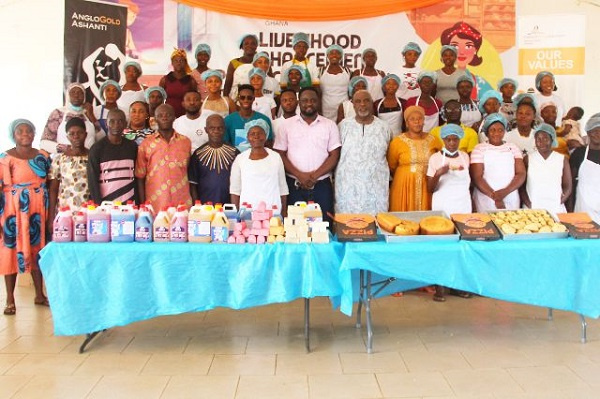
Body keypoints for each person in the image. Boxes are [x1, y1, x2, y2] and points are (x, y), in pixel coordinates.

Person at [1, 119, 51, 315]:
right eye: (20, 131)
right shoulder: (5, 158)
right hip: (13, 211)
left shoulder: (43, 156)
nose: (25, 134)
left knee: (37, 249)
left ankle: (40, 294)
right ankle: (10, 299)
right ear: (13, 134)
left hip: (38, 209)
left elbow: (49, 182)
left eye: (29, 131)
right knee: (11, 251)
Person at [274, 87, 341, 223]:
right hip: (294, 185)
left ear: (318, 102)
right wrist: (300, 175)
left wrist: (314, 176)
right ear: (299, 103)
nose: (309, 103)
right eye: (305, 100)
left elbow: (334, 155)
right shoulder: (286, 125)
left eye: (313, 100)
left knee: (324, 227)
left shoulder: (330, 125)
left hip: (322, 185)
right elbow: (280, 154)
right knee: (295, 228)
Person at [426, 123, 472, 302]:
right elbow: (430, 188)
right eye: (448, 139)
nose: (452, 142)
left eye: (455, 139)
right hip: (443, 206)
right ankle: (440, 286)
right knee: (442, 246)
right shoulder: (436, 159)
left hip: (462, 205)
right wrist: (438, 173)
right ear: (443, 139)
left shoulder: (465, 157)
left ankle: (458, 286)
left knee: (461, 246)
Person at [335, 90, 392, 214]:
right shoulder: (343, 126)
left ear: (372, 104)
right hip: (348, 188)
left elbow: (389, 156)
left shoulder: (384, 127)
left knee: (376, 226)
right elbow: (335, 155)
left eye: (366, 100)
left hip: (376, 189)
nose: (362, 104)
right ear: (353, 105)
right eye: (358, 101)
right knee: (348, 226)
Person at [136, 104, 192, 211]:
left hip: (181, 202)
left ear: (174, 117)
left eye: (168, 115)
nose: (164, 117)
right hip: (155, 204)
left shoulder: (186, 142)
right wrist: (144, 205)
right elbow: (140, 177)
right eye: (160, 115)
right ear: (155, 119)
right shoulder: (146, 144)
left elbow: (188, 170)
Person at [388, 106, 442, 211]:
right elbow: (391, 166)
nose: (417, 121)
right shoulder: (397, 141)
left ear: (424, 121)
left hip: (427, 185)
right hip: (404, 185)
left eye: (420, 118)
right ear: (407, 123)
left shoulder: (434, 140)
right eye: (412, 119)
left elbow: (440, 159)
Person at [470, 113, 526, 211]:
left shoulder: (513, 147)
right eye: (493, 130)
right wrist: (494, 196)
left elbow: (521, 173)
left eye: (500, 130)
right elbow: (477, 177)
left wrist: (504, 192)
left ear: (504, 131)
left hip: (510, 196)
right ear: (487, 132)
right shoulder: (479, 149)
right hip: (486, 198)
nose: (497, 133)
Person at [230, 119, 288, 212]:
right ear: (247, 137)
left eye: (260, 133)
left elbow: (282, 188)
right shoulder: (240, 159)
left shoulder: (275, 157)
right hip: (247, 212)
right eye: (252, 134)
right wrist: (236, 215)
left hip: (273, 211)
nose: (256, 136)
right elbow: (235, 190)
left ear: (266, 136)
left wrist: (284, 212)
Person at [87, 109, 138, 204]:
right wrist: (99, 205)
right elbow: (92, 182)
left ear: (125, 124)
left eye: (120, 121)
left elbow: (136, 176)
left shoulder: (132, 146)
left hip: (130, 204)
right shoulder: (97, 149)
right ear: (106, 124)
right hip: (106, 205)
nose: (116, 125)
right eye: (112, 121)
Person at [520, 123, 572, 214]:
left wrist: (559, 202)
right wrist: (529, 204)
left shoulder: (562, 159)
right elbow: (522, 186)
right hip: (532, 208)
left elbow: (567, 185)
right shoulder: (528, 159)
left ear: (552, 139)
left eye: (545, 139)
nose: (541, 142)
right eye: (538, 139)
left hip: (556, 207)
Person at [48, 117, 90, 226]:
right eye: (72, 133)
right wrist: (51, 217)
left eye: (79, 133)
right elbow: (53, 189)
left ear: (85, 134)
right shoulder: (60, 159)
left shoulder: (93, 156)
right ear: (67, 136)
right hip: (65, 211)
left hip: (89, 210)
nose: (76, 136)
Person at [189, 114, 239, 205]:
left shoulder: (235, 153)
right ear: (206, 130)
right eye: (212, 128)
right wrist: (197, 205)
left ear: (224, 129)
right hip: (205, 205)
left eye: (220, 128)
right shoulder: (197, 154)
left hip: (229, 205)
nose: (216, 131)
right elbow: (193, 184)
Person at [40, 82, 97, 154]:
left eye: (80, 93)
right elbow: (44, 143)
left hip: (88, 160)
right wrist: (64, 149)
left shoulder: (89, 112)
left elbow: (100, 138)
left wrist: (92, 116)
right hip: (64, 161)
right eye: (73, 92)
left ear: (84, 96)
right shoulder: (58, 113)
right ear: (68, 95)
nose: (76, 95)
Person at [440, 21, 493, 100]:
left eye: (468, 46)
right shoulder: (437, 76)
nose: (461, 52)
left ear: (475, 50)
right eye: (455, 46)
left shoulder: (480, 83)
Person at [224, 84, 273, 152]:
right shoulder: (228, 120)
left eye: (249, 97)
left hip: (258, 159)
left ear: (253, 98)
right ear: (238, 98)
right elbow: (225, 144)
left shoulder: (264, 119)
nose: (246, 100)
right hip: (236, 159)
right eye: (242, 97)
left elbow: (269, 143)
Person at [570, 113, 600, 222]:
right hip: (583, 209)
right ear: (588, 132)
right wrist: (570, 210)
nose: (598, 134)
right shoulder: (579, 154)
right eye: (594, 130)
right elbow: (571, 184)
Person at [159, 48, 197, 118]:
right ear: (172, 63)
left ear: (185, 63)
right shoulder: (165, 79)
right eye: (176, 60)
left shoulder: (191, 80)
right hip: (168, 116)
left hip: (186, 116)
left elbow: (195, 100)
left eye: (181, 60)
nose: (178, 63)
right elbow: (159, 99)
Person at [319, 45, 351, 121]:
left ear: (341, 56)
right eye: (331, 53)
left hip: (344, 107)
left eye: (337, 53)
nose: (334, 55)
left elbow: (351, 91)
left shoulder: (347, 70)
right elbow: (318, 92)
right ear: (327, 56)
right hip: (326, 108)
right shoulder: (321, 70)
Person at [224, 33, 258, 99]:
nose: (249, 46)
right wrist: (226, 101)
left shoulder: (262, 62)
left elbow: (270, 82)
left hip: (258, 100)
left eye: (252, 43)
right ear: (242, 46)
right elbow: (227, 85)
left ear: (256, 46)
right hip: (236, 100)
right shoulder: (234, 63)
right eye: (246, 43)